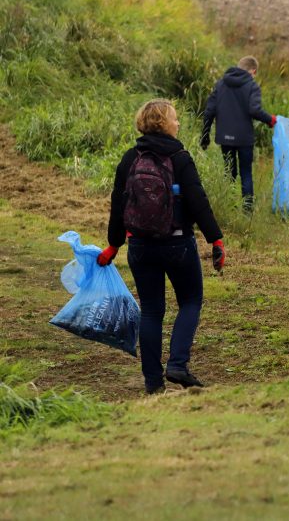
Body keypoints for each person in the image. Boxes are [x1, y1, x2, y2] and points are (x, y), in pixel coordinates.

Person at [97, 99, 225, 394]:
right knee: (191, 301)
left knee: (152, 311)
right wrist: (215, 239)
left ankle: (153, 382)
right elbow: (198, 201)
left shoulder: (130, 159)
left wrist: (113, 246)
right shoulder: (180, 158)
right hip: (178, 243)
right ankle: (177, 364)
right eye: (175, 119)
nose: (178, 123)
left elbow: (118, 206)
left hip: (140, 246)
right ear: (164, 124)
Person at [200, 56, 276, 210]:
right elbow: (254, 109)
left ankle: (229, 206)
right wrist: (270, 120)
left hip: (225, 138)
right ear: (253, 71)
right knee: (246, 173)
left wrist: (205, 136)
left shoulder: (221, 84)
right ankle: (247, 211)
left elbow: (209, 112)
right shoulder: (252, 86)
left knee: (229, 173)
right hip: (244, 138)